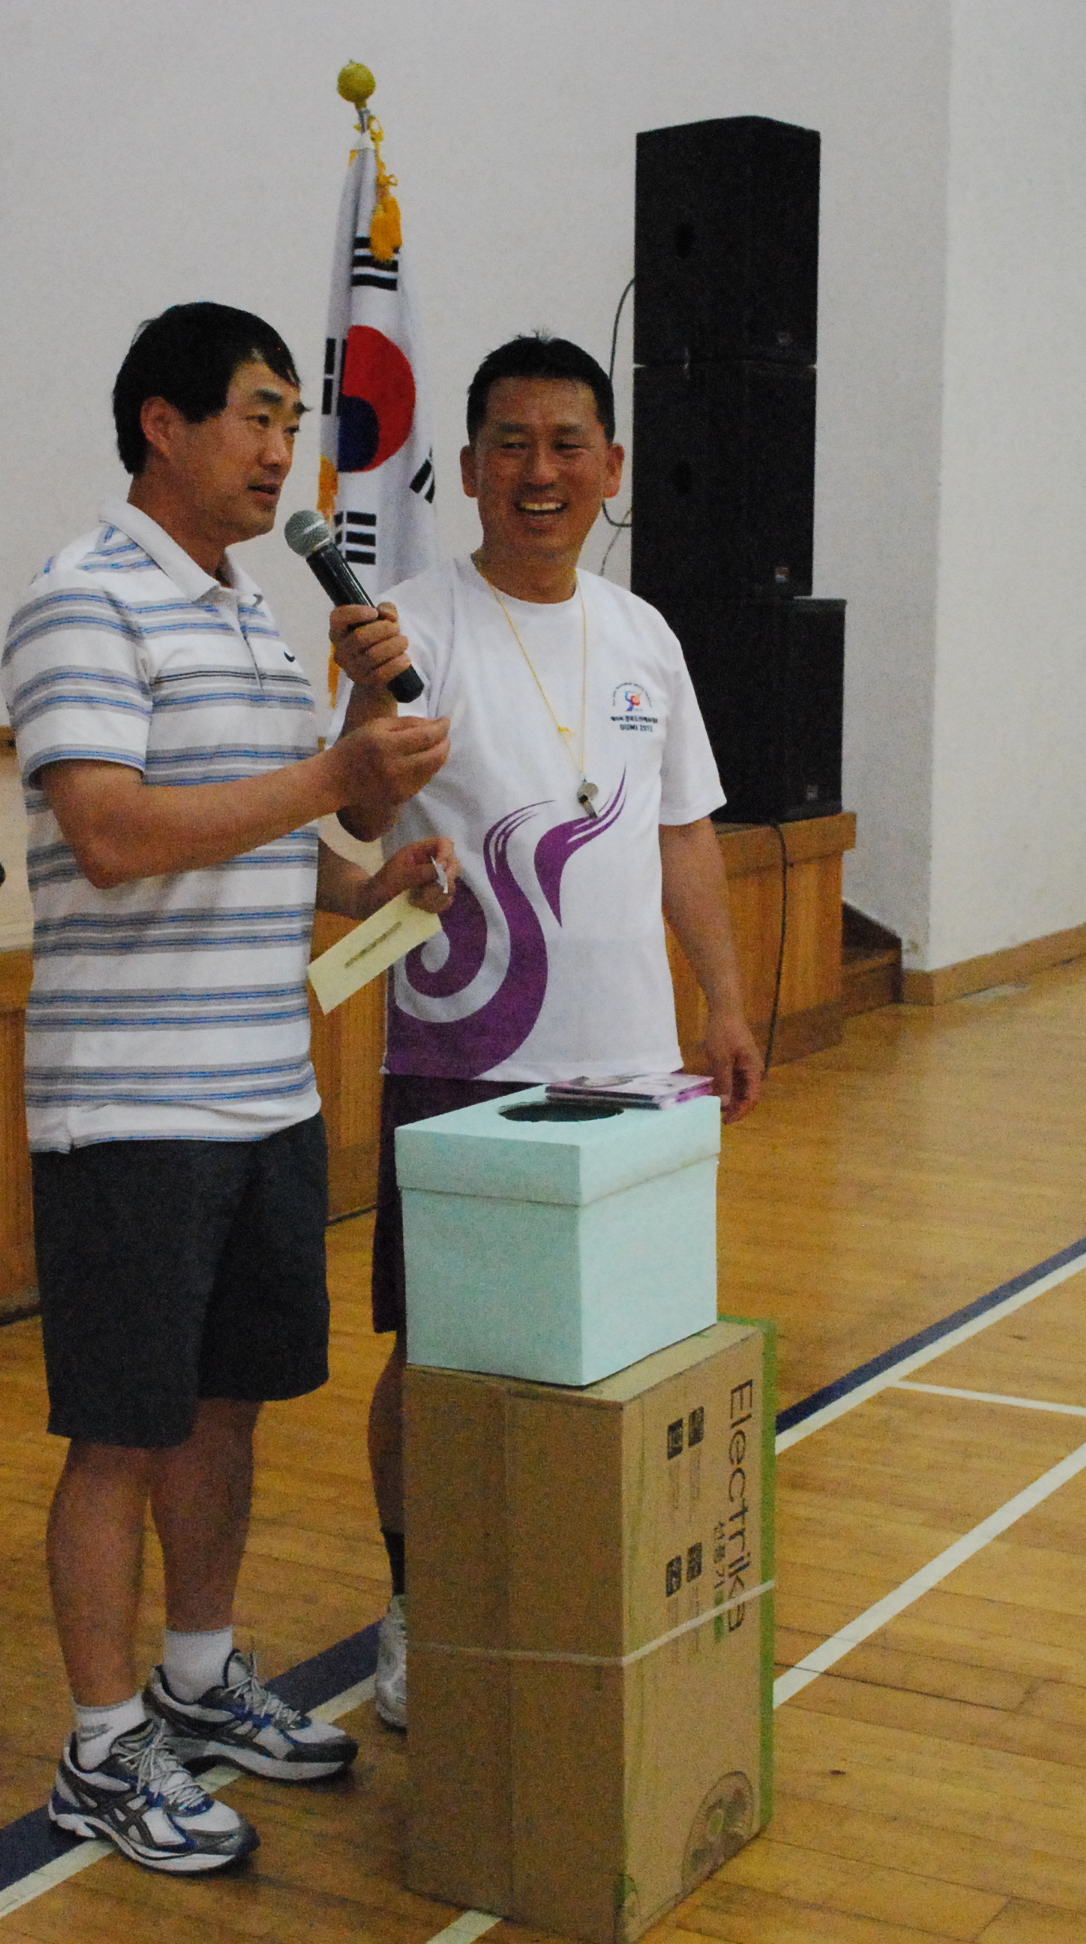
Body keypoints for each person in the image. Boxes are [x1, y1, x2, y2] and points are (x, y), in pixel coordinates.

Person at [1, 301, 455, 1875]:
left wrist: (371, 867)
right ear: (163, 423)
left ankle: (197, 1681)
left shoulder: (257, 610)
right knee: (119, 1434)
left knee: (223, 1407)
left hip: (264, 1090)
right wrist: (336, 774)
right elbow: (114, 835)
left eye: (289, 423)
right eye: (257, 416)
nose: (281, 453)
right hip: (131, 1106)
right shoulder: (81, 598)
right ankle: (100, 1749)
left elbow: (284, 836)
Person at [328, 331, 765, 1729]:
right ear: (466, 469)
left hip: (632, 1062)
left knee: (626, 1342)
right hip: (462, 1059)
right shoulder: (408, 626)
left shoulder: (644, 637)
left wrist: (724, 999)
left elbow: (684, 832)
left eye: (568, 444)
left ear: (611, 467)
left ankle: (590, 1596)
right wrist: (362, 692)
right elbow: (354, 815)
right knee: (438, 1352)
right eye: (509, 444)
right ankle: (419, 1603)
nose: (539, 470)